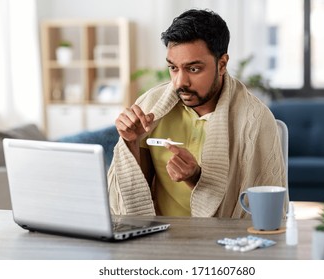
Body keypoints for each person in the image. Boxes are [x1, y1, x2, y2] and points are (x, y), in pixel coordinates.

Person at [108, 9, 287, 218]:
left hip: (220, 243)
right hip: (159, 240)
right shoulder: (150, 106)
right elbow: (137, 197)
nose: (180, 82)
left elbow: (260, 213)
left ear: (222, 64)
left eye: (193, 69)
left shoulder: (255, 120)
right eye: (173, 68)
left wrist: (196, 178)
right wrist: (131, 141)